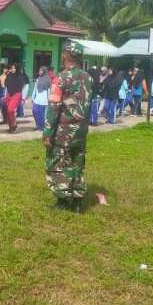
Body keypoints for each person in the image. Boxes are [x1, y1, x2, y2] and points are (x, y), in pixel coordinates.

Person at [43, 40, 92, 213]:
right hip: (81, 131)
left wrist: (47, 133)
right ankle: (77, 201)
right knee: (76, 163)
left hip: (63, 131)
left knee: (58, 164)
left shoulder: (61, 78)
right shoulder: (88, 77)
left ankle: (63, 201)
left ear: (64, 55)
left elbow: (54, 107)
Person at [5, 63, 25, 133]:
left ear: (17, 69)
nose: (13, 69)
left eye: (14, 68)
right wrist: (6, 95)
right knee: (8, 111)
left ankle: (14, 125)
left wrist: (23, 98)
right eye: (12, 68)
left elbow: (22, 87)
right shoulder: (9, 75)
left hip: (16, 94)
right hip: (9, 94)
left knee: (10, 110)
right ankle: (11, 126)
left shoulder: (20, 76)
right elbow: (6, 85)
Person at [32, 66, 50, 131]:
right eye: (39, 71)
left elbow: (49, 90)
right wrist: (33, 97)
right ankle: (38, 124)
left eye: (41, 71)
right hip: (37, 98)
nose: (40, 72)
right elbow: (35, 88)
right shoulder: (38, 79)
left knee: (41, 114)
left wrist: (49, 99)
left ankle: (41, 127)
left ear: (44, 71)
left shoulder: (48, 79)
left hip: (44, 99)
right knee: (34, 111)